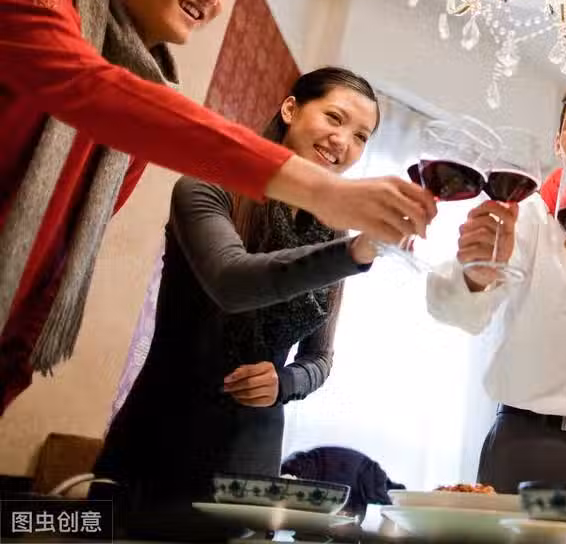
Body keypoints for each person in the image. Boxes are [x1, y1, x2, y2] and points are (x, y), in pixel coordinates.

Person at [0, 0, 435, 410]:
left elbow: (57, 249)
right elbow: (96, 92)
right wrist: (326, 194)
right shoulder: (30, 5)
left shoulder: (145, 95)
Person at [93, 67, 384, 535]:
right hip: (163, 441)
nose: (343, 141)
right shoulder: (208, 185)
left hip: (252, 465)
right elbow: (231, 281)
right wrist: (354, 253)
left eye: (361, 136)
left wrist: (284, 382)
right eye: (334, 117)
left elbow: (321, 358)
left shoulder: (333, 234)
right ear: (290, 109)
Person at [426, 79, 566, 493]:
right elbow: (460, 315)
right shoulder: (526, 216)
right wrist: (476, 275)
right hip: (525, 443)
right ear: (557, 141)